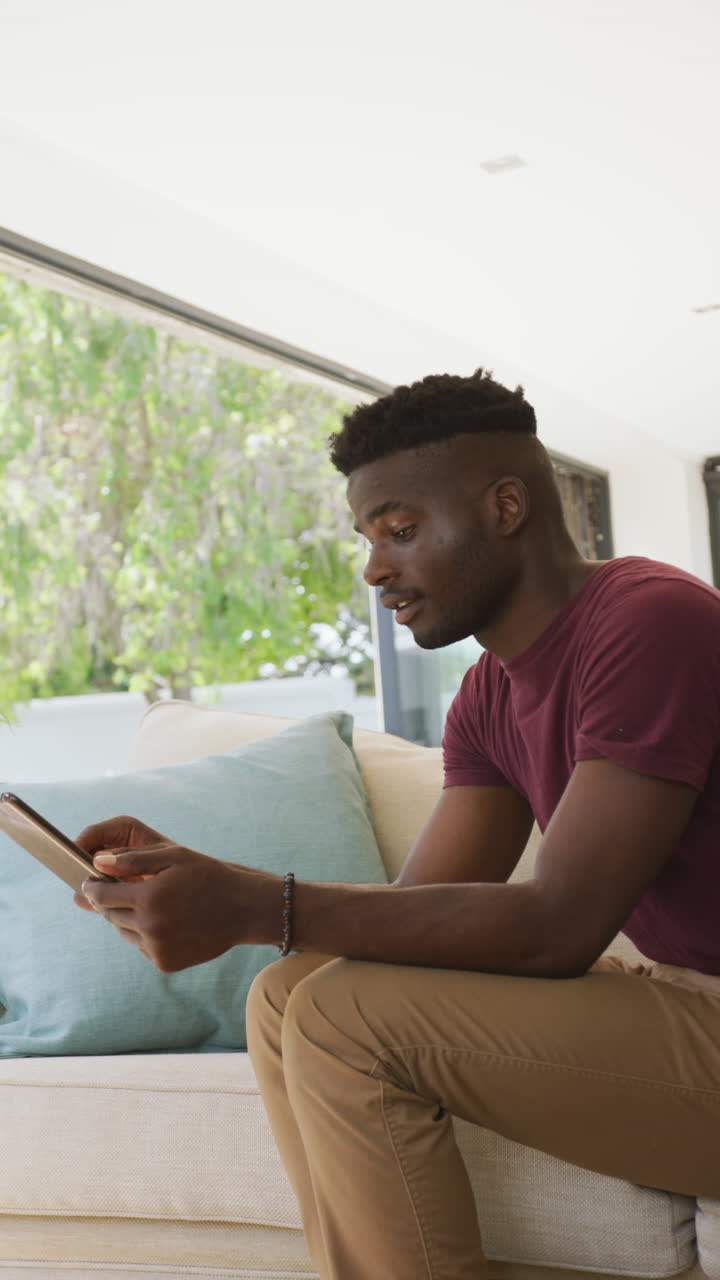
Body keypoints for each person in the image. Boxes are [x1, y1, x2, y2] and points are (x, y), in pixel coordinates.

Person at [75, 370, 720, 1280]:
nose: (376, 567)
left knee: (343, 1014)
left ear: (506, 507)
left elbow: (559, 926)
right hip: (686, 1006)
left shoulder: (652, 622)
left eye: (401, 530)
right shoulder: (487, 699)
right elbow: (420, 920)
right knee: (290, 992)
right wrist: (211, 880)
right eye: (369, 537)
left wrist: (260, 906)